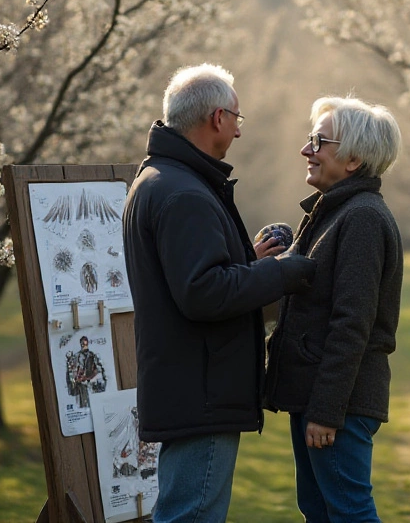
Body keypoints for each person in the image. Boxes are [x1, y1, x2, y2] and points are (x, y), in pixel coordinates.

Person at [123, 63, 316, 523]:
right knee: (190, 515)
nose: (239, 132)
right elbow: (204, 293)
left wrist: (246, 262)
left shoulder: (161, 180)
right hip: (202, 391)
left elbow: (191, 277)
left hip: (190, 386)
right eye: (237, 119)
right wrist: (280, 272)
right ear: (216, 119)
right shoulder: (184, 193)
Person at [264, 96, 404, 523]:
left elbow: (352, 325)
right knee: (321, 511)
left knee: (348, 513)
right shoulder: (336, 213)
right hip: (317, 399)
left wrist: (326, 412)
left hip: (335, 406)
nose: (307, 150)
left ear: (354, 159)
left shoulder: (361, 218)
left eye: (318, 141)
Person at [65, 335, 107, 409]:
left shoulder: (92, 355)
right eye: (83, 344)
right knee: (84, 406)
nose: (84, 346)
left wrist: (90, 378)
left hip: (92, 383)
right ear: (80, 344)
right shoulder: (77, 356)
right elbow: (73, 371)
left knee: (96, 406)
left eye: (86, 344)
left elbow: (98, 369)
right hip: (81, 385)